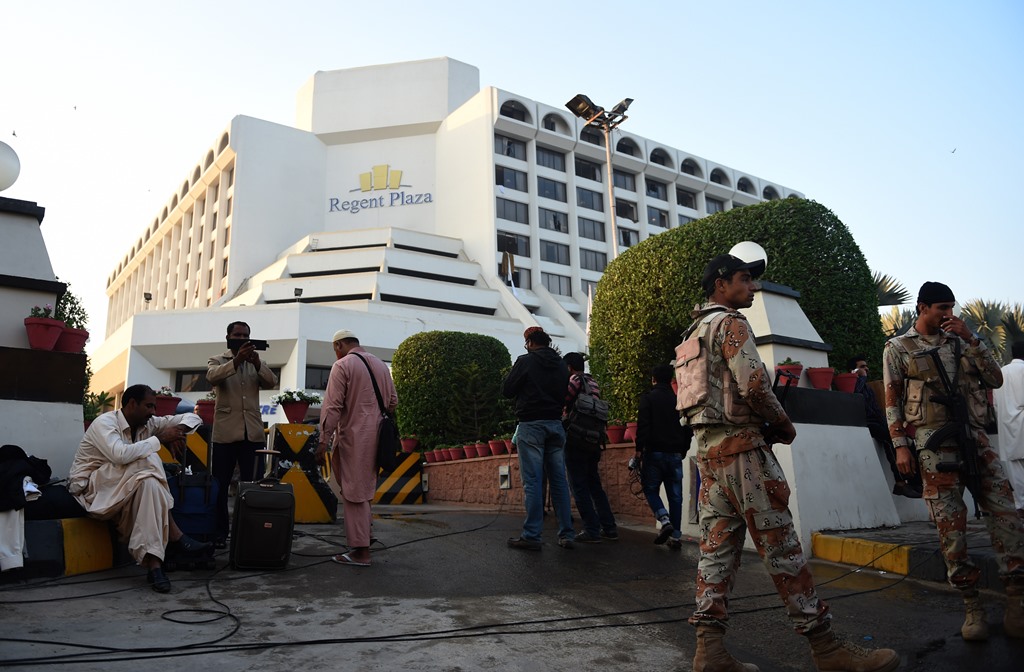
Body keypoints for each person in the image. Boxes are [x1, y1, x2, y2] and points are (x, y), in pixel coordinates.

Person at [678, 253, 898, 672]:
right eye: (745, 279)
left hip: (709, 457)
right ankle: (828, 649)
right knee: (783, 550)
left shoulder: (693, 333)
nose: (753, 287)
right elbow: (755, 383)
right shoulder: (730, 324)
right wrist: (782, 423)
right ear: (721, 284)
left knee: (715, 554)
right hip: (744, 456)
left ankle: (710, 651)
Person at [883, 282, 1024, 641]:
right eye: (941, 308)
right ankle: (971, 605)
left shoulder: (962, 341)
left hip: (974, 439)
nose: (949, 315)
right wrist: (901, 446)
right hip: (933, 445)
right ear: (922, 307)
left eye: (951, 307)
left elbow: (995, 378)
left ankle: (1016, 598)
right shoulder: (898, 348)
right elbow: (892, 400)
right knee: (950, 527)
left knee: (1006, 513)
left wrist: (974, 338)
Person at [68, 384, 211, 593]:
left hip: (126, 487)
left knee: (149, 483)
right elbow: (120, 455)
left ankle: (154, 567)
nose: (154, 412)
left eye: (155, 407)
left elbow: (194, 418)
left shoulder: (148, 424)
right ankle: (175, 534)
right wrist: (160, 440)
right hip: (92, 488)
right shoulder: (105, 423)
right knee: (148, 457)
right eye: (149, 406)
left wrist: (177, 432)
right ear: (132, 404)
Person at [315, 329, 397, 567]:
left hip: (354, 436)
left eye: (335, 350)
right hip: (378, 437)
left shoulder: (342, 366)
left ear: (339, 345)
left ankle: (361, 552)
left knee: (353, 492)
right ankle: (366, 536)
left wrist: (323, 441)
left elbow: (332, 407)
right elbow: (393, 401)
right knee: (364, 488)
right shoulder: (381, 365)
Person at [502, 326, 575, 550]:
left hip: (531, 425)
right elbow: (566, 392)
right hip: (555, 425)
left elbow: (507, 390)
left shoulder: (525, 361)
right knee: (559, 482)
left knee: (533, 483)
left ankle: (532, 535)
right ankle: (567, 534)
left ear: (531, 342)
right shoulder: (562, 366)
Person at [207, 321, 279, 546]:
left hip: (252, 433)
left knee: (251, 486)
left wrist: (256, 362)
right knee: (220, 485)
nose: (241, 338)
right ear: (228, 337)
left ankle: (247, 530)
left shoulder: (256, 362)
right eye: (237, 335)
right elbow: (212, 377)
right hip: (225, 434)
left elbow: (271, 382)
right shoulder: (218, 360)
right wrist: (236, 361)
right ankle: (220, 533)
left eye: (245, 335)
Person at [847, 354, 922, 498]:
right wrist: (860, 377)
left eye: (866, 366)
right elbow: (855, 394)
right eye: (862, 367)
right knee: (892, 441)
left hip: (878, 422)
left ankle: (915, 482)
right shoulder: (854, 383)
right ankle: (900, 482)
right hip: (868, 424)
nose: (866, 369)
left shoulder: (868, 387)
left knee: (907, 440)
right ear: (853, 371)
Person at [562, 352, 617, 543]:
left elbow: (563, 401)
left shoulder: (574, 380)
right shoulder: (593, 382)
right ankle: (609, 528)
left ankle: (592, 530)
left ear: (568, 367)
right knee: (594, 484)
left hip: (577, 439)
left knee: (578, 485)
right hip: (594, 440)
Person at [635, 364, 692, 548]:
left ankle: (664, 519)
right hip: (675, 454)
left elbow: (643, 425)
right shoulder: (679, 400)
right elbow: (687, 428)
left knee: (650, 489)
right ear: (670, 380)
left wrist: (638, 450)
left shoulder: (648, 399)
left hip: (654, 453)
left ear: (653, 379)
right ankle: (675, 537)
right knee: (676, 497)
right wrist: (683, 449)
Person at [994, 340, 1024, 514]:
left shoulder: (1001, 372)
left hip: (1007, 427)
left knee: (1016, 472)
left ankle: (1021, 508)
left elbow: (996, 405)